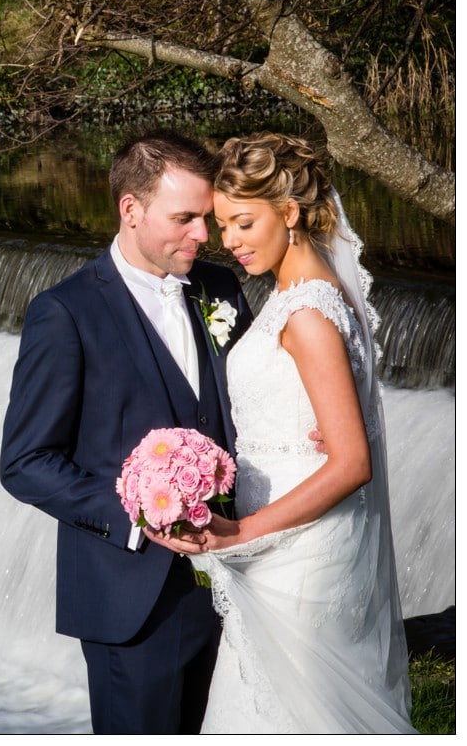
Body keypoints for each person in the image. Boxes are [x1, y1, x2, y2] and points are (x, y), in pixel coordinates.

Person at [151, 132, 414, 733]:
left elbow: (350, 464)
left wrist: (239, 532)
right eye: (223, 225)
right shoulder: (302, 293)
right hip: (285, 539)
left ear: (289, 214)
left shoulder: (308, 313)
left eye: (243, 223)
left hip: (301, 552)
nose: (229, 241)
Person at [0, 129, 254, 734]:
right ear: (130, 210)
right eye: (185, 218)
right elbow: (26, 461)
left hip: (237, 583)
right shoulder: (65, 314)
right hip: (132, 600)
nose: (204, 235)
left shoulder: (221, 290)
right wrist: (140, 513)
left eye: (207, 217)